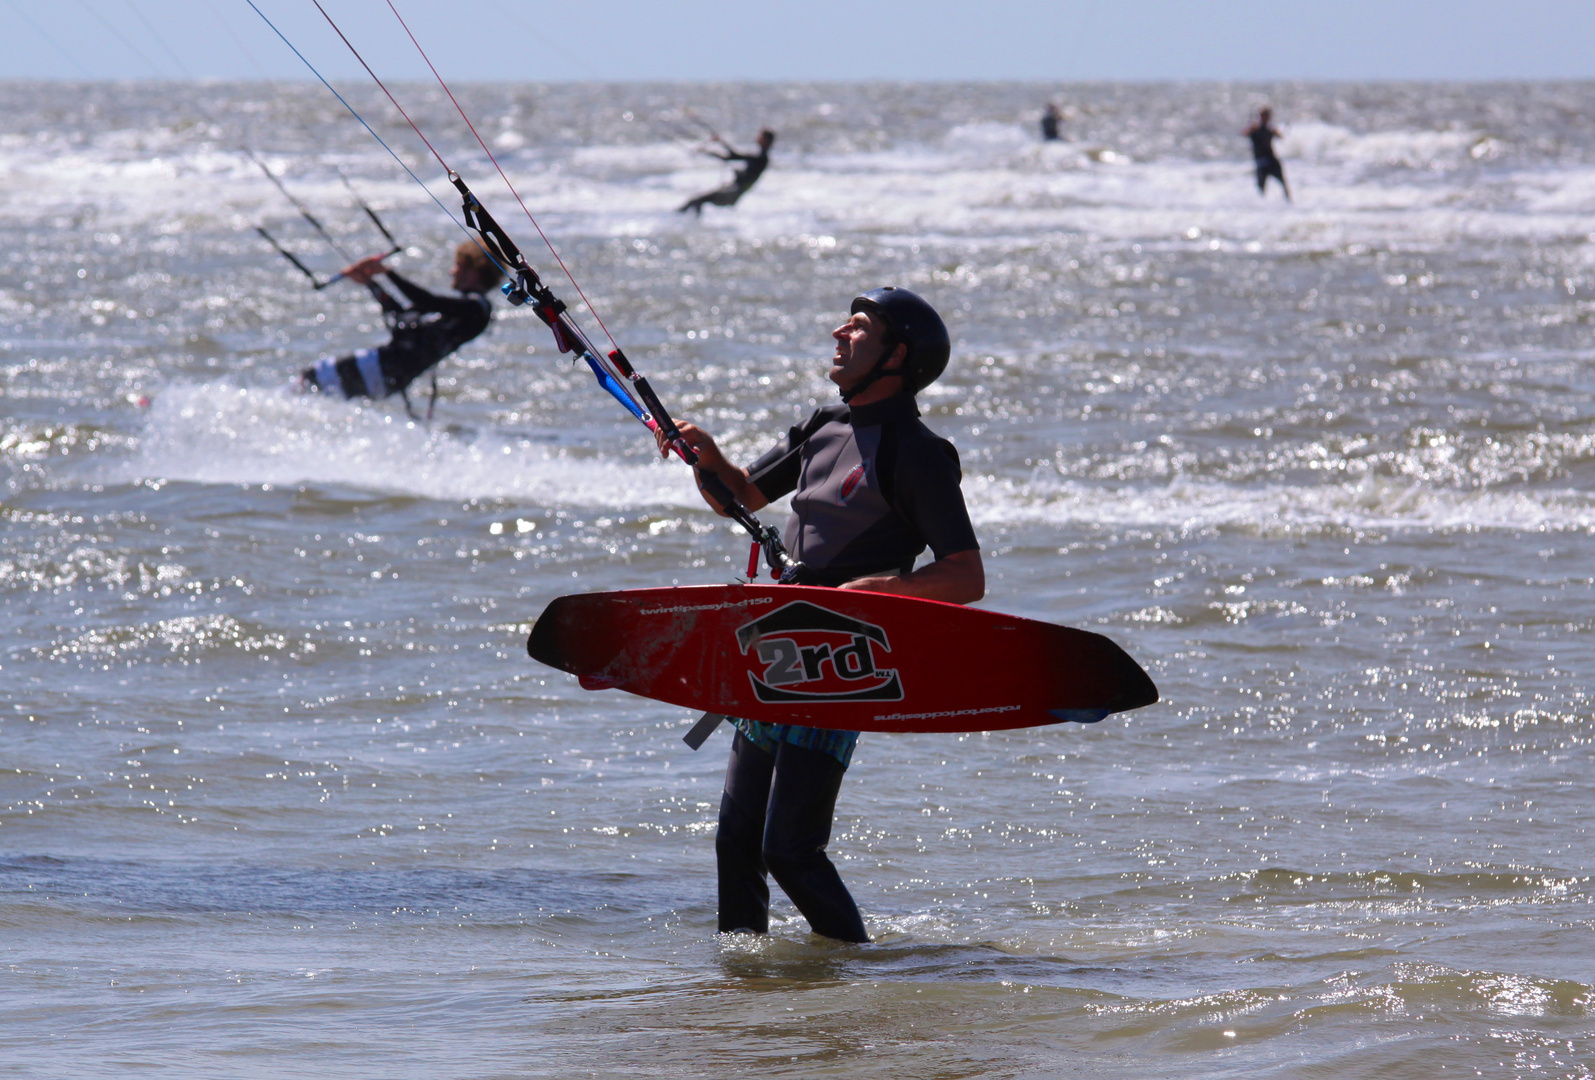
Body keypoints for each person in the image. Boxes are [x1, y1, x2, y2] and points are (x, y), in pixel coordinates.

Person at [658, 287, 984, 943]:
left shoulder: (918, 452)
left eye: (859, 328)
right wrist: (708, 455)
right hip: (777, 641)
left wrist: (886, 589)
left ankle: (857, 982)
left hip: (843, 659)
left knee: (790, 849)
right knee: (736, 842)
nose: (839, 332)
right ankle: (744, 983)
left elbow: (965, 575)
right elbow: (740, 498)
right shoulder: (822, 425)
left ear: (897, 356)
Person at [297, 241, 501, 414]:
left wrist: (387, 272)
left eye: (458, 266)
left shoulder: (477, 309)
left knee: (306, 382)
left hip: (382, 369)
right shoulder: (459, 311)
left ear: (474, 272)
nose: (452, 271)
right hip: (387, 375)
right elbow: (403, 317)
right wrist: (371, 283)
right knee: (315, 397)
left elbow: (427, 300)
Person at [678, 128, 776, 215]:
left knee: (698, 200)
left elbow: (734, 156)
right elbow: (730, 157)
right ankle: (687, 220)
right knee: (697, 200)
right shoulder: (759, 157)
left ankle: (688, 222)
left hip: (733, 193)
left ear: (766, 141)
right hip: (732, 190)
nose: (757, 138)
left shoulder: (760, 158)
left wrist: (720, 142)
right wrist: (711, 149)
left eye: (760, 136)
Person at [1245, 107, 1291, 201]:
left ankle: (1289, 202)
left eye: (1267, 116)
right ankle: (1261, 206)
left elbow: (1280, 137)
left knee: (1283, 183)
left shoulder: (1269, 130)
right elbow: (1244, 133)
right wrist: (1251, 128)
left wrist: (1275, 131)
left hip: (1272, 160)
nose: (1265, 118)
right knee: (1261, 188)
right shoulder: (1255, 129)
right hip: (1261, 162)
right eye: (1263, 116)